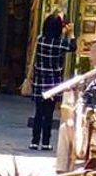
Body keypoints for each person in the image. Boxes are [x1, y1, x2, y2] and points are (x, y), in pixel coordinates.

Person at [27, 13, 77, 153]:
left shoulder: (40, 40)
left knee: (38, 113)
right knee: (49, 114)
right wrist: (71, 33)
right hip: (53, 83)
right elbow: (73, 47)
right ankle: (46, 142)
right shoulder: (60, 43)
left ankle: (34, 141)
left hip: (40, 80)